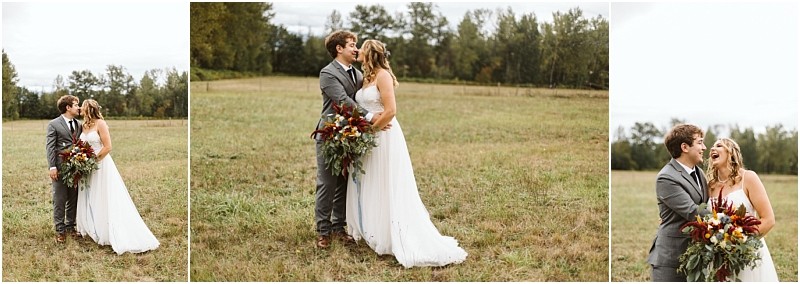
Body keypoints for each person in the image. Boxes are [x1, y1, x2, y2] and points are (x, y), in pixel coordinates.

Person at [345, 39, 467, 268]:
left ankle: (392, 233)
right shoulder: (366, 78)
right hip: (368, 135)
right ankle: (371, 228)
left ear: (370, 53)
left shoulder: (382, 76)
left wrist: (371, 130)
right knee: (369, 180)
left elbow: (391, 110)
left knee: (385, 181)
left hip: (384, 135)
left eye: (361, 47)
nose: (358, 50)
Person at [313, 30, 388, 249]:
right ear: (339, 49)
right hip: (330, 133)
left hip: (352, 135)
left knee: (344, 184)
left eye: (356, 45)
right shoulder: (327, 73)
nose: (356, 48)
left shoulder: (357, 74)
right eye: (352, 45)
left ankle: (339, 227)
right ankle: (323, 231)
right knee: (327, 183)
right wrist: (371, 116)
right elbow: (343, 101)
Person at [75, 99, 159, 254]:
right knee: (89, 195)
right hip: (86, 167)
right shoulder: (83, 126)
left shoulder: (100, 123)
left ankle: (107, 230)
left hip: (100, 165)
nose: (80, 109)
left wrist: (92, 161)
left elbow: (108, 147)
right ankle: (91, 227)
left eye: (83, 108)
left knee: (103, 196)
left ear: (89, 109)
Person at [705, 138, 778, 281]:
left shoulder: (748, 178)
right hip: (718, 255)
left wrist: (741, 245)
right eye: (712, 147)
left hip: (747, 253)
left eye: (719, 145)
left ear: (731, 152)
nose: (712, 149)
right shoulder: (710, 186)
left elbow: (768, 220)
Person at [647, 124, 710, 281]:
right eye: (700, 142)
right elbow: (692, 212)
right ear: (685, 147)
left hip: (696, 257)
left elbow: (706, 203)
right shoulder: (666, 177)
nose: (704, 147)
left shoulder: (699, 172)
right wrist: (728, 219)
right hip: (671, 259)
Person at [45, 95, 82, 243]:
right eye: (76, 105)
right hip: (59, 168)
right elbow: (50, 147)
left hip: (75, 168)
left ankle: (70, 227)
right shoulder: (54, 124)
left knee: (73, 199)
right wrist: (52, 166)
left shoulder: (79, 124)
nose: (78, 107)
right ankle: (60, 231)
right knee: (59, 199)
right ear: (68, 107)